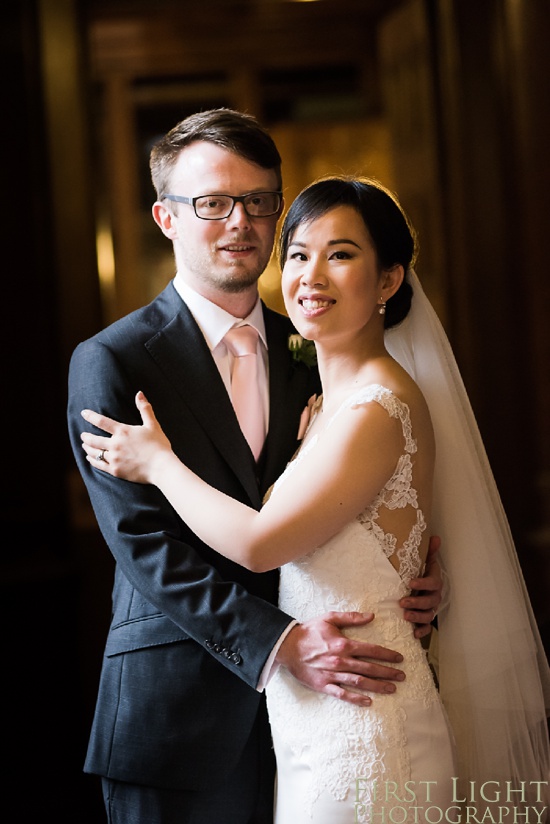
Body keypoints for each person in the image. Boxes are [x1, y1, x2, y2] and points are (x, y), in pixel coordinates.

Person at [81, 174, 550, 824]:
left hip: (365, 723)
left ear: (389, 280)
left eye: (342, 253)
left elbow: (262, 540)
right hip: (301, 724)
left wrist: (159, 463)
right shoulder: (321, 397)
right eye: (299, 253)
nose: (312, 275)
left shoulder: (374, 407)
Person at [67, 111, 443, 824]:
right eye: (212, 203)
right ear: (166, 217)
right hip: (182, 717)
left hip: (328, 707)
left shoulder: (315, 341)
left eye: (258, 201)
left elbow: (357, 496)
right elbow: (147, 547)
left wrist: (412, 568)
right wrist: (279, 643)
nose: (239, 222)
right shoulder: (112, 360)